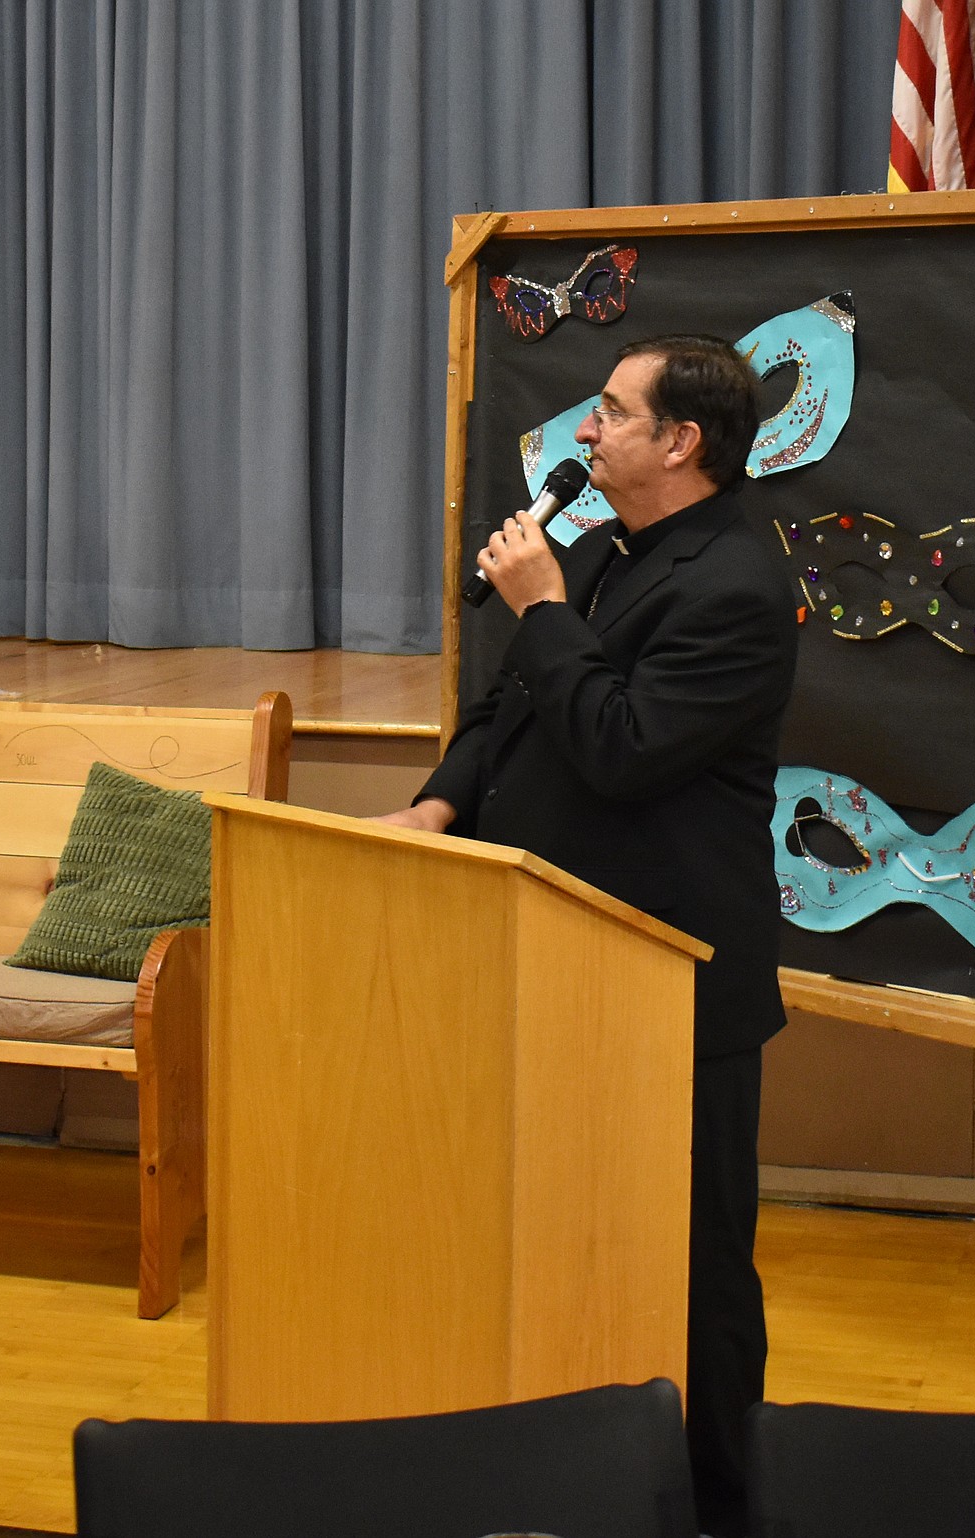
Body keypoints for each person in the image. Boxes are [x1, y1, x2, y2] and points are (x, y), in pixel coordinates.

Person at [379, 334, 798, 1537]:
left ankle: (724, 1504)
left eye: (609, 413)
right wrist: (440, 799)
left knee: (695, 1271)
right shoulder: (609, 549)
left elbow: (619, 744)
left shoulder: (737, 586)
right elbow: (511, 709)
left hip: (672, 985)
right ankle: (568, 1469)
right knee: (561, 1236)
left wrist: (546, 607)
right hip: (555, 968)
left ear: (682, 442)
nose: (584, 432)